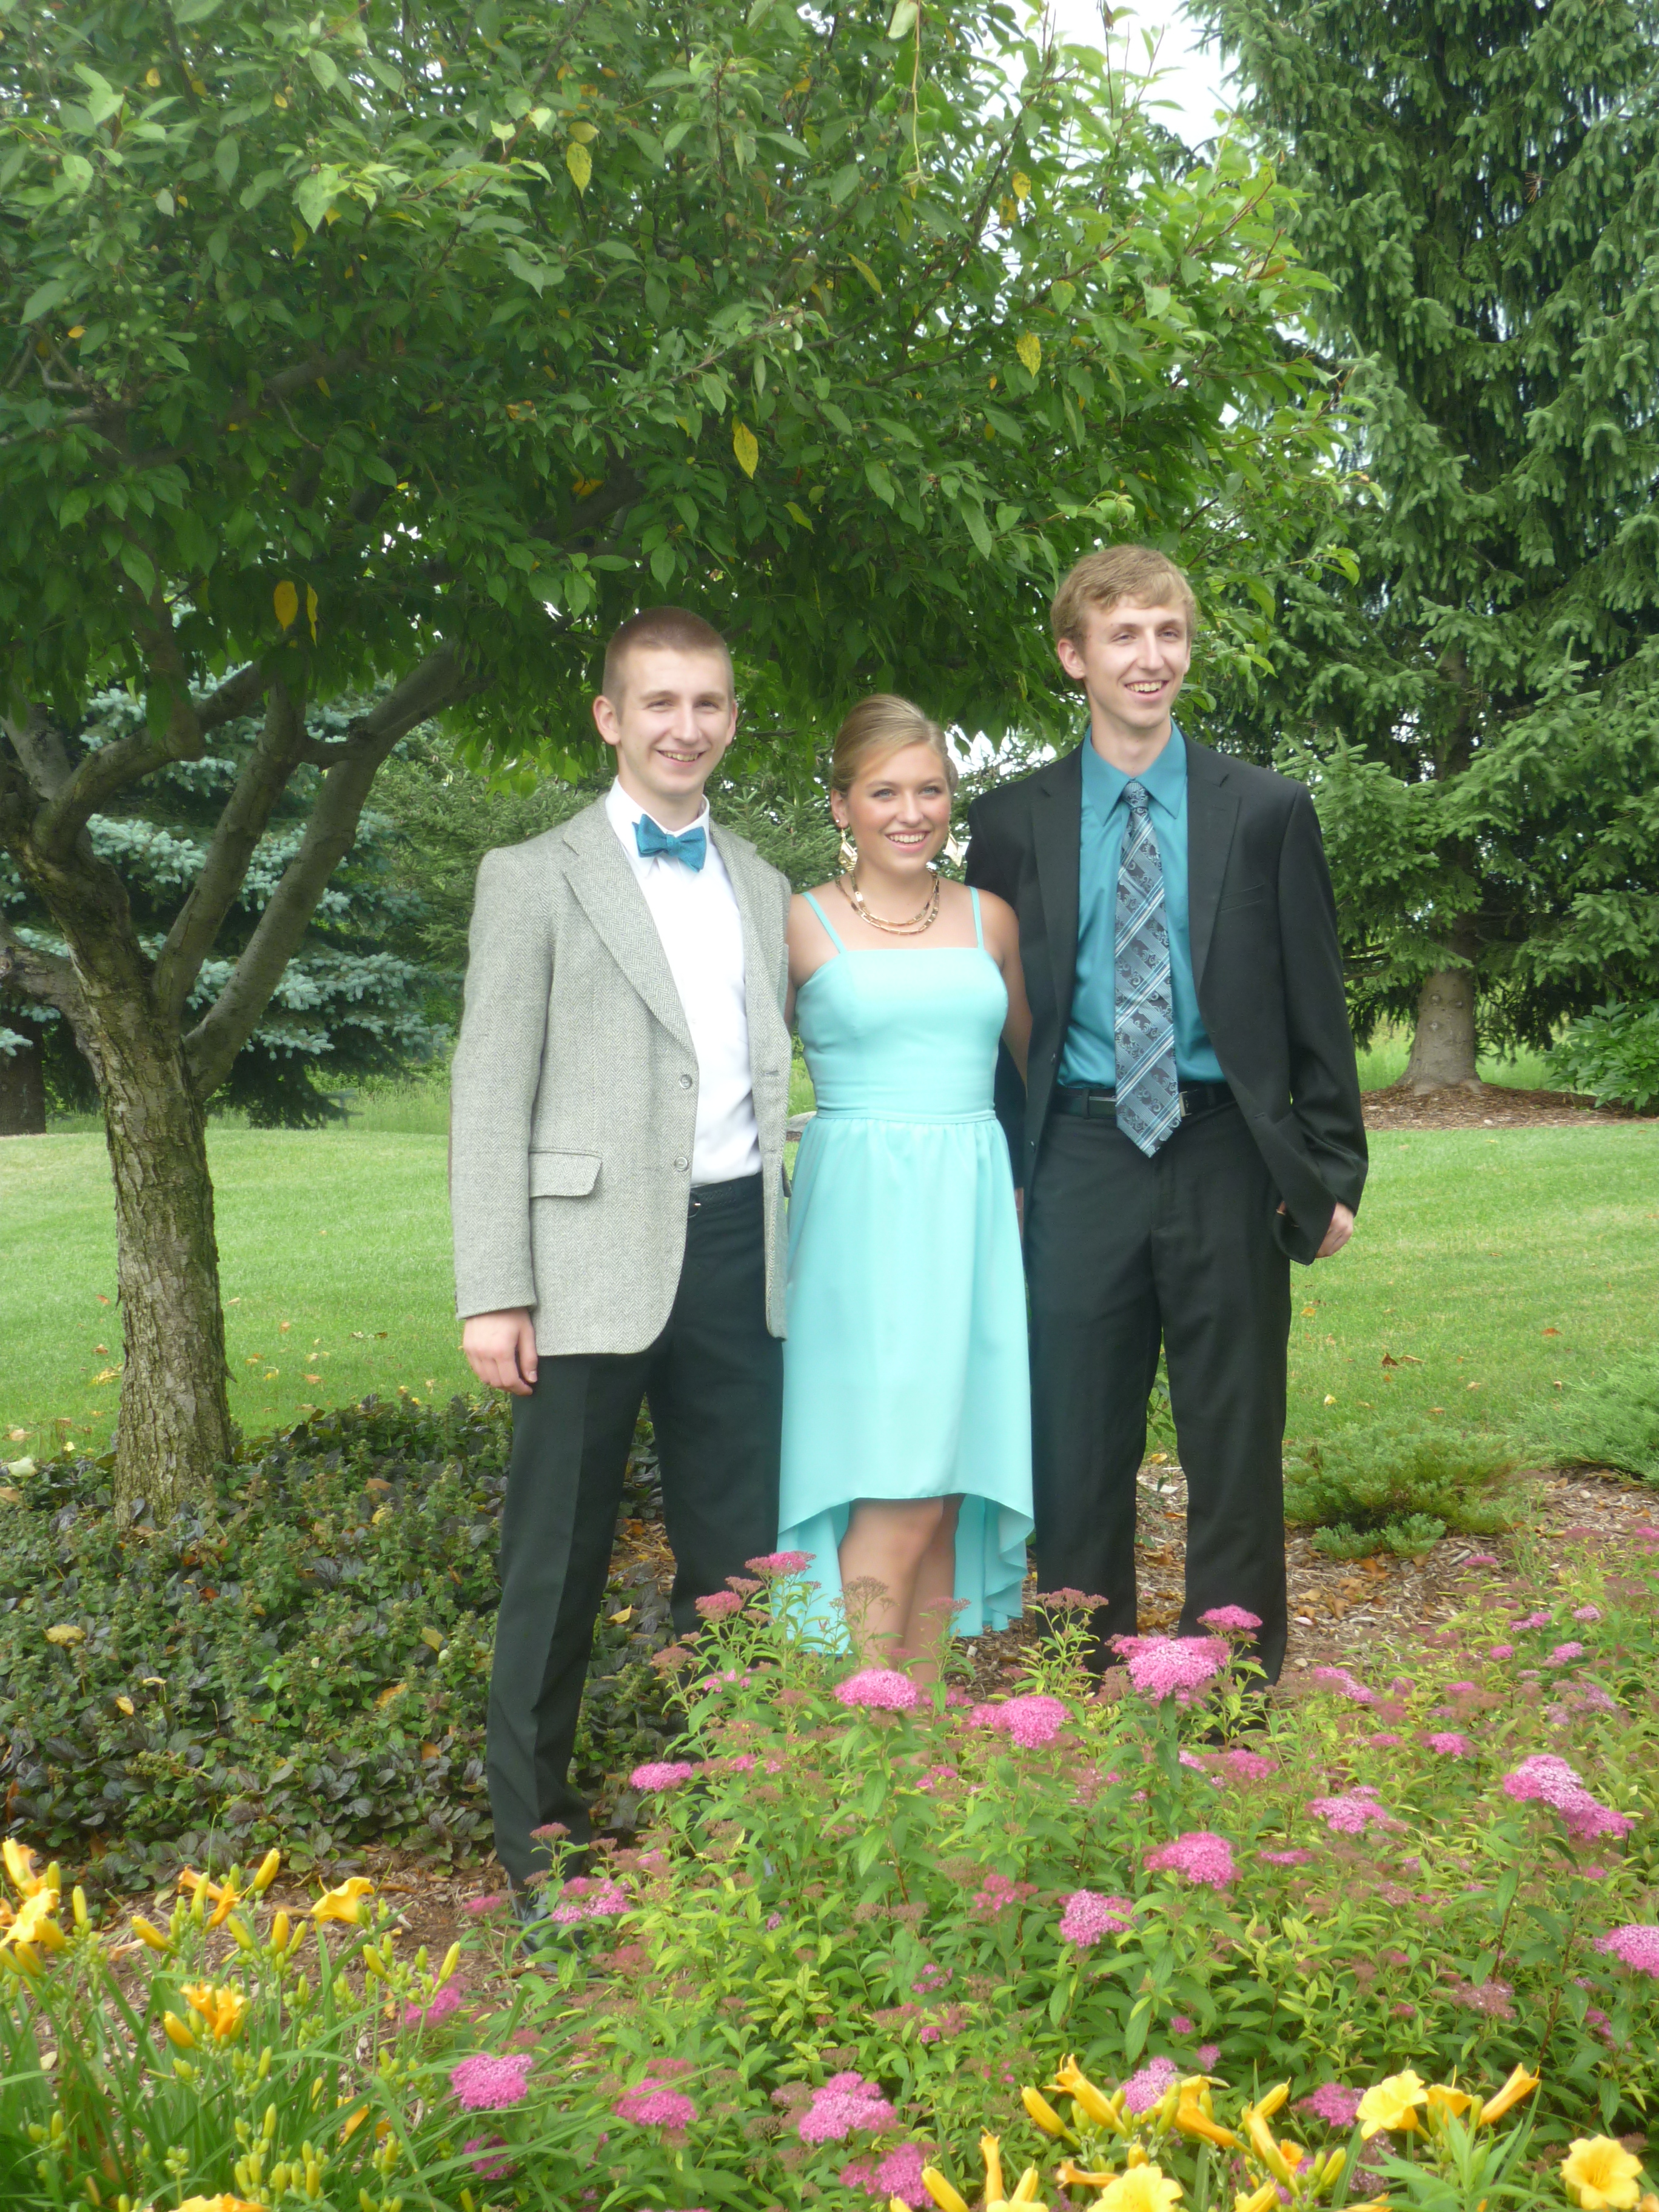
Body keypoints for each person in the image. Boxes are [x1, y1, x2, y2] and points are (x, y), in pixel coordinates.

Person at [965, 546, 1367, 1683]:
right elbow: (990, 1014)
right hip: (1078, 1150)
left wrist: (1332, 1168)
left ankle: (1230, 1681)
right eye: (1124, 635)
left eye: (1169, 633)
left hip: (1226, 1147)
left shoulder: (1266, 811)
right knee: (1076, 1434)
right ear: (1074, 656)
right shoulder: (1011, 822)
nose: (1151, 658)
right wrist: (1009, 1171)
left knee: (1234, 1433)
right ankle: (1082, 1670)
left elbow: (1315, 1000)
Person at [449, 607, 793, 1906]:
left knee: (740, 1569)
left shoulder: (761, 883)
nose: (684, 727)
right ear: (610, 717)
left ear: (732, 718)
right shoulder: (532, 876)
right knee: (556, 1568)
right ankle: (541, 1856)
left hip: (737, 1255)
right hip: (582, 1265)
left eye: (707, 703)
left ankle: (732, 1832)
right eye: (659, 702)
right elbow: (490, 1089)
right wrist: (496, 1288)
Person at [779, 695, 1034, 1677]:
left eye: (930, 790)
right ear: (841, 804)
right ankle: (851, 1731)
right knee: (897, 1483)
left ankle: (913, 1738)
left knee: (946, 1485)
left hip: (972, 1212)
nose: (911, 812)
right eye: (884, 792)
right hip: (862, 1222)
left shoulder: (991, 919)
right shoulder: (797, 923)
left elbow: (1042, 1073)